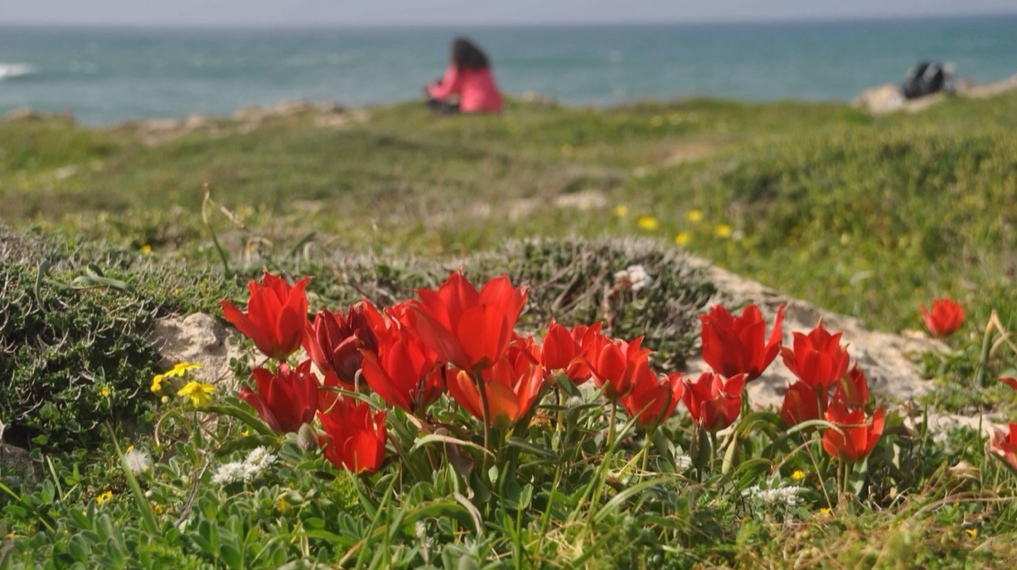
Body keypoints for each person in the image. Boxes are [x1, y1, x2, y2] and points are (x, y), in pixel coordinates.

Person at [426, 37, 503, 114]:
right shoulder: (483, 65)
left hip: (472, 107)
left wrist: (432, 89)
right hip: (495, 107)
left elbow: (447, 91)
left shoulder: (458, 67)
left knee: (432, 101)